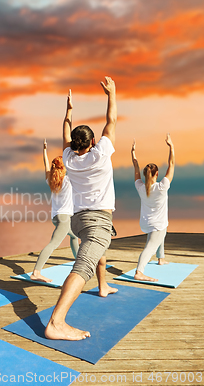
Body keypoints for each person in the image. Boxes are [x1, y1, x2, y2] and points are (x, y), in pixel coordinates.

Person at [44, 82, 119, 341]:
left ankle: (103, 286)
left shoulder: (67, 157)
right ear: (93, 141)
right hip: (97, 220)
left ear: (75, 144)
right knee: (83, 265)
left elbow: (65, 131)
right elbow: (112, 120)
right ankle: (56, 322)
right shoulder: (101, 154)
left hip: (78, 220)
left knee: (95, 249)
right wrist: (111, 94)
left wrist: (68, 110)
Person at [30, 139, 79, 283]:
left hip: (56, 217)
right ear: (64, 167)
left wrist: (44, 151)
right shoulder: (69, 181)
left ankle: (78, 263)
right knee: (53, 244)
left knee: (74, 236)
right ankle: (36, 272)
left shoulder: (51, 180)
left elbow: (46, 166)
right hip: (64, 218)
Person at [130, 135, 175, 282]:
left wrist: (133, 153)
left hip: (146, 222)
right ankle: (139, 271)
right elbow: (172, 164)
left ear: (145, 174)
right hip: (157, 224)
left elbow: (135, 169)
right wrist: (171, 146)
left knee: (161, 231)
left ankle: (161, 258)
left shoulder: (140, 187)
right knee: (151, 245)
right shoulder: (162, 187)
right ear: (157, 174)